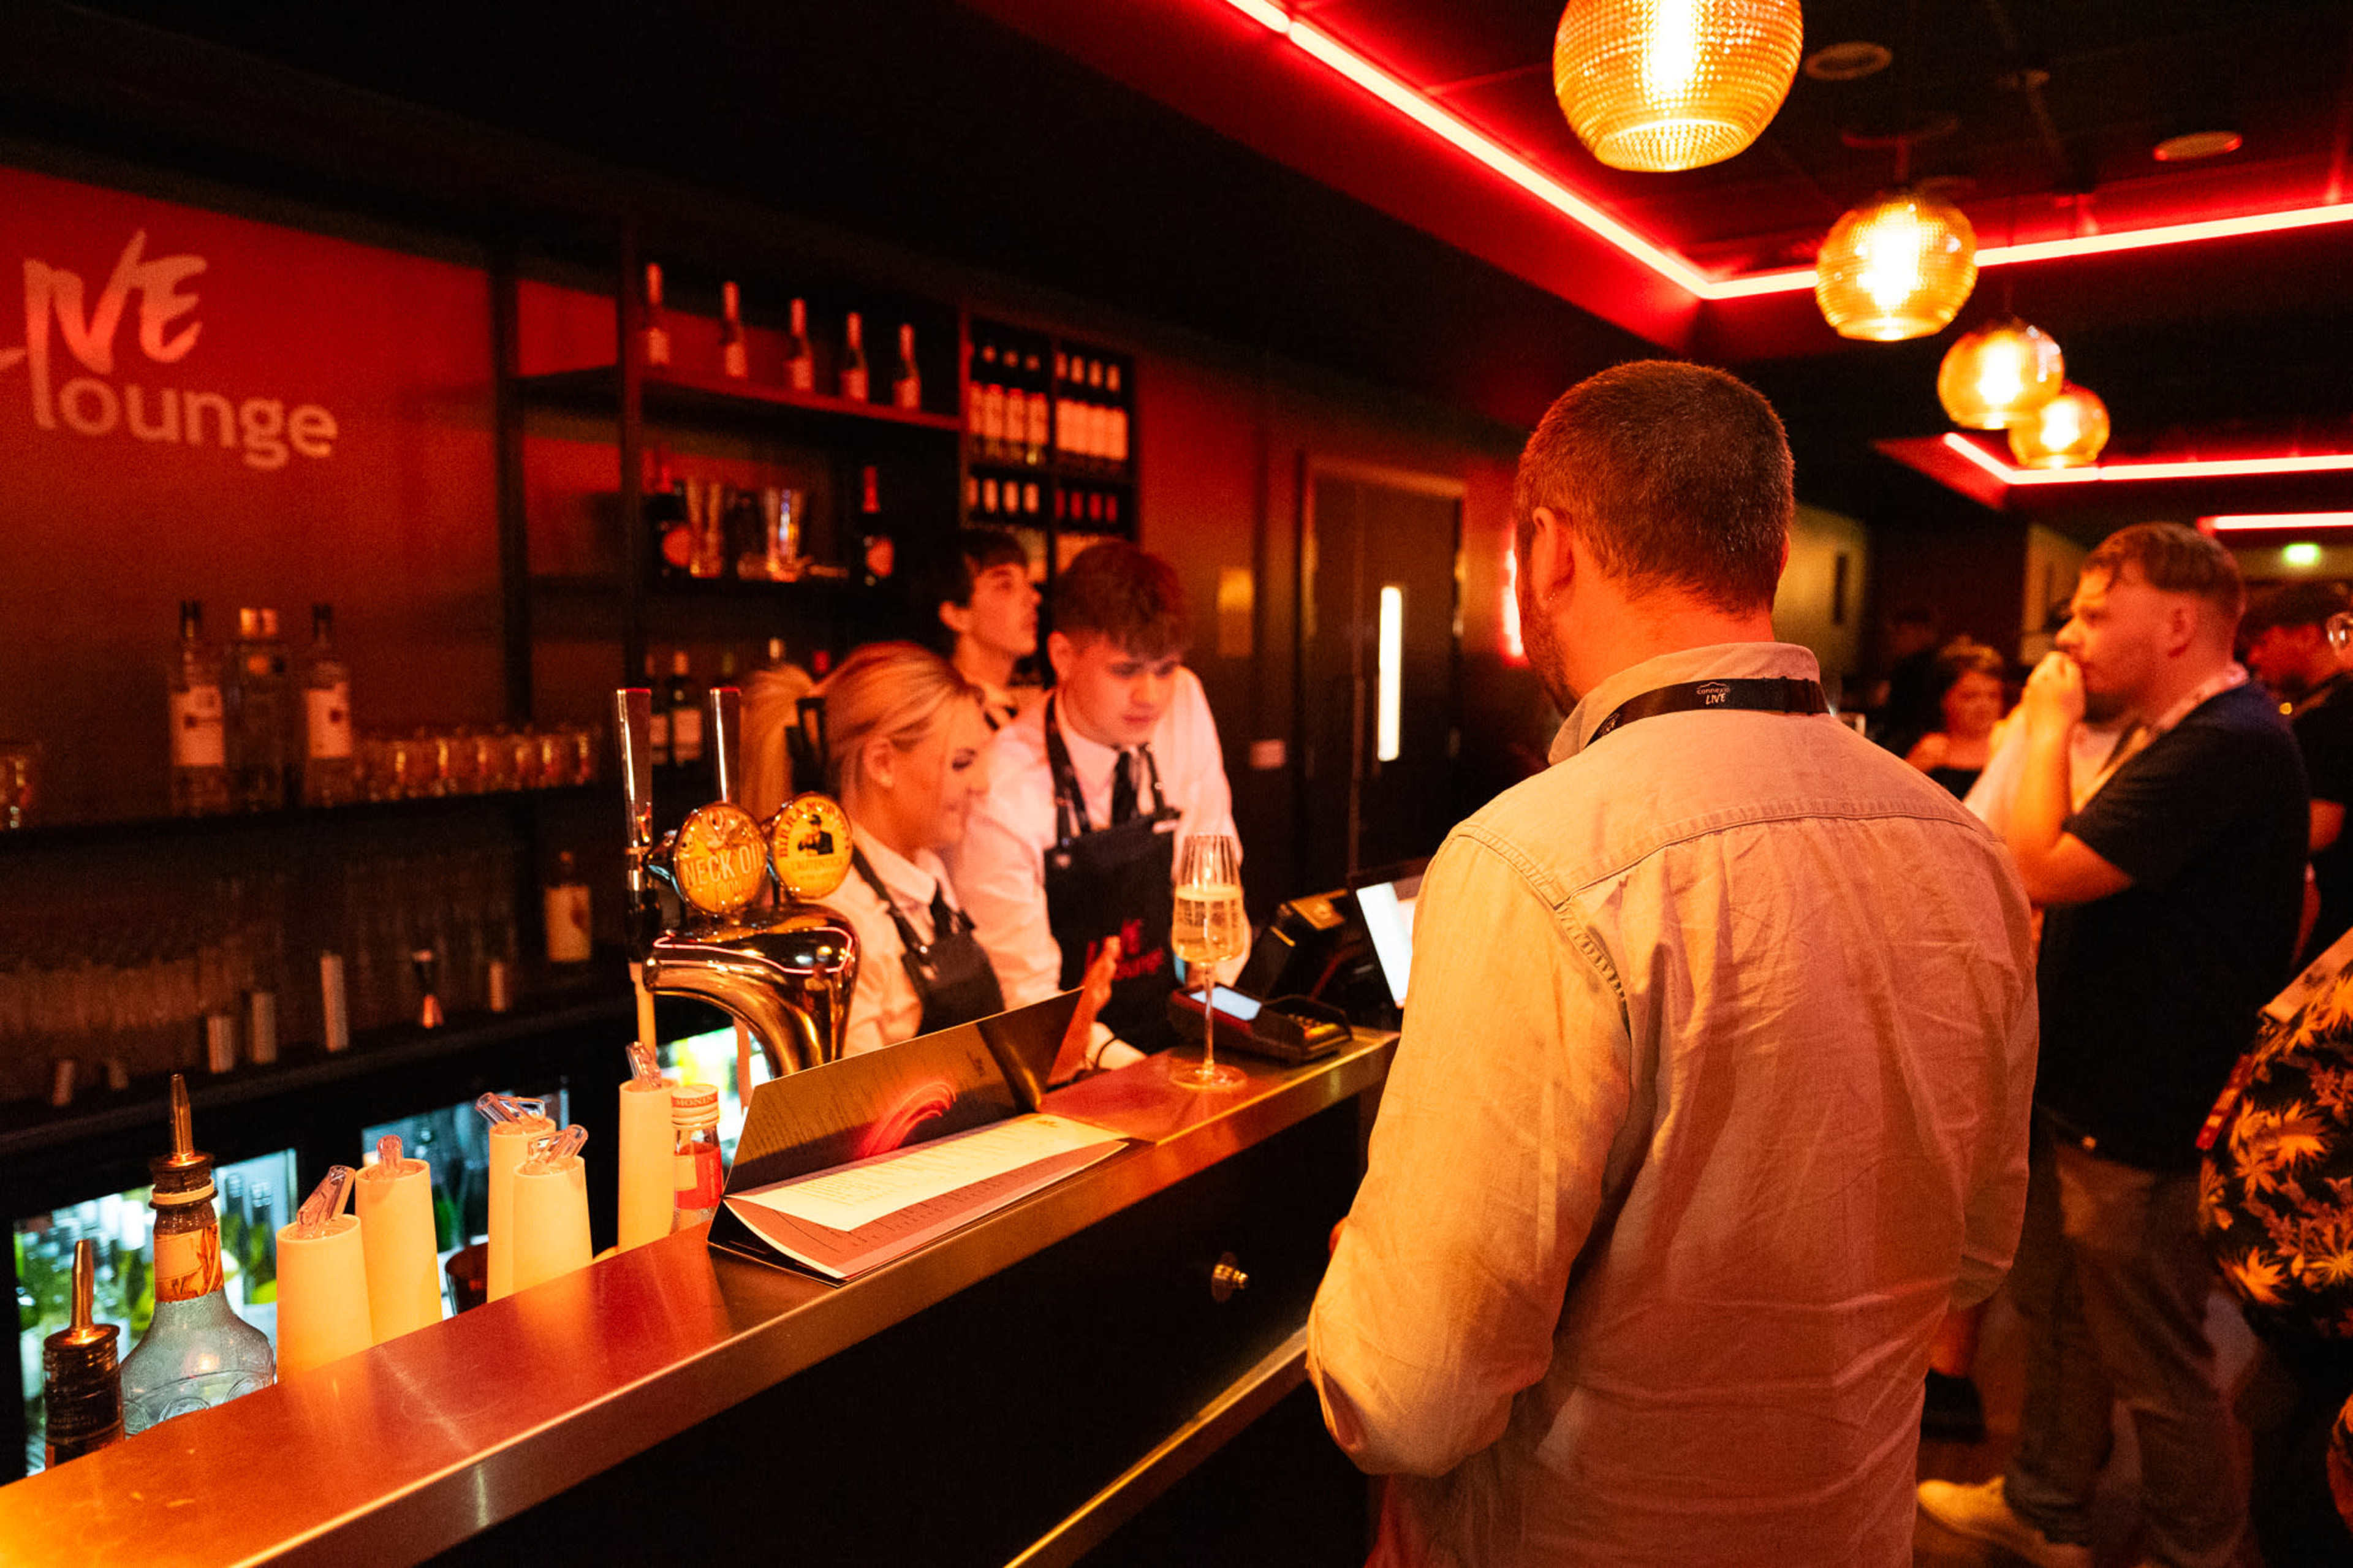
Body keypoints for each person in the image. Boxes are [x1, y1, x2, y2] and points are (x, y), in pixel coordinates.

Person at [1306, 360, 2039, 1565]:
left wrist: (1369, 1283)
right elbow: (1974, 1249)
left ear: (1547, 551)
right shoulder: (1964, 847)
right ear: (1773, 547)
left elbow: (1413, 1396)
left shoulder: (1534, 856)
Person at [1919, 523, 2309, 1568]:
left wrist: (2041, 722)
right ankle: (2046, 1499)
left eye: (2098, 609)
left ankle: (2205, 1550)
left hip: (2142, 1102)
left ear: (2177, 622)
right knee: (2062, 1317)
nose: (2072, 632)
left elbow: (2039, 866)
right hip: (2093, 1082)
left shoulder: (2227, 738)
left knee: (2155, 1357)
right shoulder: (2183, 728)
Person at [947, 540, 1237, 1061]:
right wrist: (1135, 1072)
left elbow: (1215, 870)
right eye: (1125, 671)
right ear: (1062, 656)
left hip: (1173, 1024)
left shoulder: (1185, 702)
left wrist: (1218, 1017)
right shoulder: (1004, 785)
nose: (1151, 694)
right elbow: (1027, 1002)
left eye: (1166, 667)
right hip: (1067, 1066)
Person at [811, 642, 1113, 1069]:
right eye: (961, 763)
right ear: (882, 763)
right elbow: (857, 1118)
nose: (982, 783)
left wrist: (1052, 1052)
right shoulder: (839, 920)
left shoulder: (927, 868)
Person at [2245, 580, 2353, 961]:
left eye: (2266, 641)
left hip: (2333, 927)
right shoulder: (2325, 706)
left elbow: (2321, 827)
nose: (2255, 657)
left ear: (2307, 637)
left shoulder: (2332, 715)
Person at [921, 527, 1042, 730]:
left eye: (1028, 582)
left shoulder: (1001, 710)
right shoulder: (950, 721)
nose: (1034, 597)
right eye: (1005, 586)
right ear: (957, 616)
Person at [1905, 638, 2007, 798]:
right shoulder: (1929, 751)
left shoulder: (2011, 744)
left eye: (1993, 696)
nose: (1984, 706)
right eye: (1970, 697)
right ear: (1943, 700)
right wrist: (1913, 768)